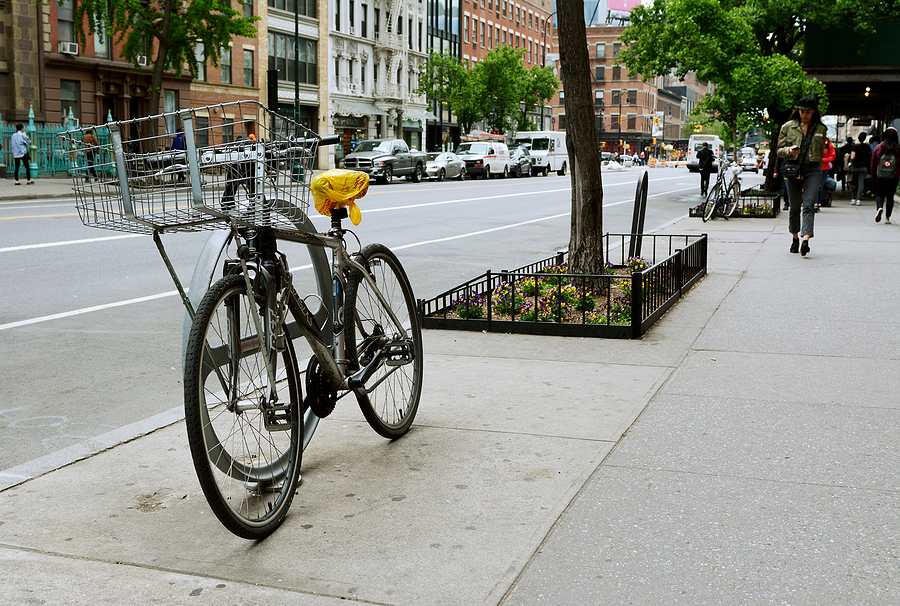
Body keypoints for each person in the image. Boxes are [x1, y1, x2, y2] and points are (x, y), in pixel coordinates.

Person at [777, 95, 827, 257]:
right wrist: (789, 151)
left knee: (809, 204)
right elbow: (779, 149)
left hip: (813, 169)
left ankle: (806, 239)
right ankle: (795, 237)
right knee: (794, 206)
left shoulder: (821, 128)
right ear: (797, 111)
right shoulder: (787, 127)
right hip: (793, 168)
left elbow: (822, 151)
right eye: (802, 111)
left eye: (808, 112)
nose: (804, 115)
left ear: (814, 112)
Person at [870, 126, 900, 224]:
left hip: (880, 176)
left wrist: (873, 174)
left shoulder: (879, 147)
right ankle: (887, 218)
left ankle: (879, 208)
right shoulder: (898, 148)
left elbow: (873, 162)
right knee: (890, 196)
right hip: (893, 176)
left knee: (879, 194)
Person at [849, 132, 871, 205]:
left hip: (855, 167)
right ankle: (858, 200)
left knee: (853, 182)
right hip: (863, 167)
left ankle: (853, 199)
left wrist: (851, 163)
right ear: (865, 138)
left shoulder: (854, 146)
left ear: (858, 137)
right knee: (861, 183)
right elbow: (870, 157)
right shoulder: (867, 147)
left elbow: (852, 157)